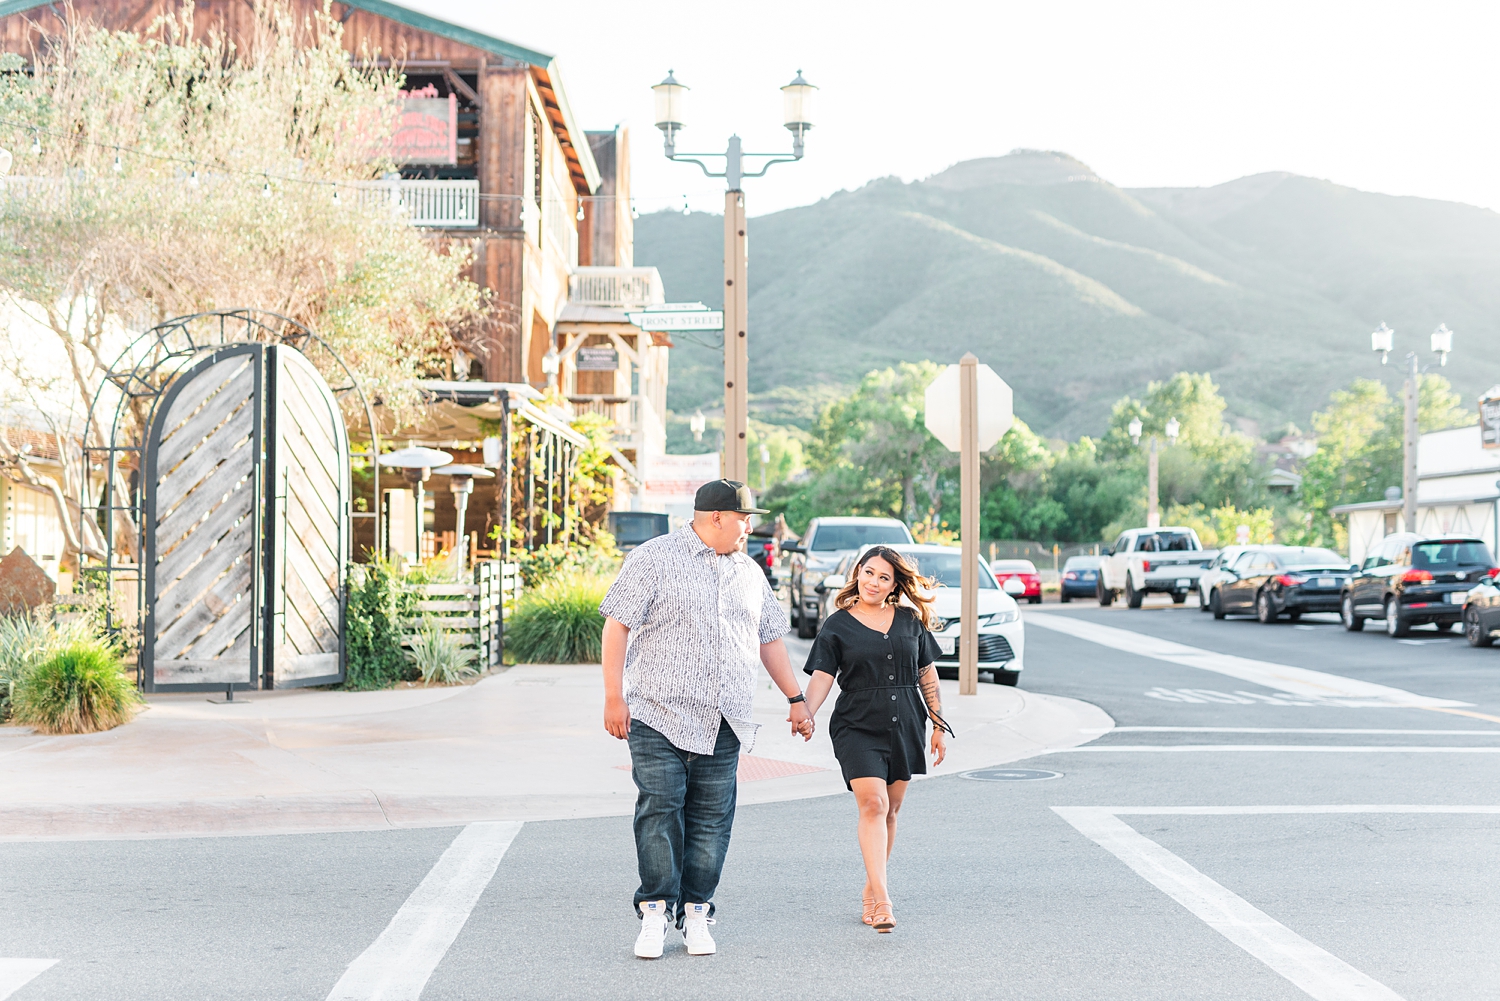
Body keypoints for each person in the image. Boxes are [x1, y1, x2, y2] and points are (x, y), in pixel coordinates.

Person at [600, 479, 814, 960]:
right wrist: (614, 697)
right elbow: (617, 625)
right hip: (659, 715)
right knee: (660, 811)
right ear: (716, 516)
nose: (750, 527)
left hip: (725, 720)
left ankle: (697, 911)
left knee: (712, 822)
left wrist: (796, 698)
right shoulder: (653, 559)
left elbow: (769, 639)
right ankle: (655, 910)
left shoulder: (749, 571)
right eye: (744, 517)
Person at [802, 545, 953, 933]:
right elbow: (822, 677)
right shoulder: (838, 624)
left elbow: (927, 675)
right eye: (869, 572)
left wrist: (938, 725)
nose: (873, 581)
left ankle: (872, 888)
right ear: (858, 573)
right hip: (856, 725)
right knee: (873, 802)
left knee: (890, 811)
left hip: (905, 723)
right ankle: (884, 900)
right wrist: (805, 712)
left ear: (894, 584)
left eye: (883, 577)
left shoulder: (908, 621)